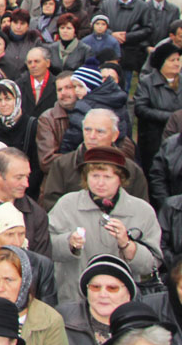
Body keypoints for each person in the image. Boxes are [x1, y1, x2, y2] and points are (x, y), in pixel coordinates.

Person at [49, 146, 162, 302]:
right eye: (94, 176)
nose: (100, 183)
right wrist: (69, 243)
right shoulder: (67, 204)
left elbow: (152, 264)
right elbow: (45, 247)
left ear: (120, 179)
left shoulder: (142, 211)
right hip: (75, 301)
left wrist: (127, 245)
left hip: (126, 304)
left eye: (107, 177)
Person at [41, 107, 148, 211]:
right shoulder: (63, 165)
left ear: (114, 136)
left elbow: (140, 210)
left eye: (100, 131)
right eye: (87, 130)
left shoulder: (131, 170)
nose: (92, 136)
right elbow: (51, 205)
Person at [134, 39, 182, 172]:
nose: (177, 63)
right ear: (161, 62)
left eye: (178, 60)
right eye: (172, 60)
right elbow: (140, 109)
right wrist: (171, 117)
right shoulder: (147, 82)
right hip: (153, 138)